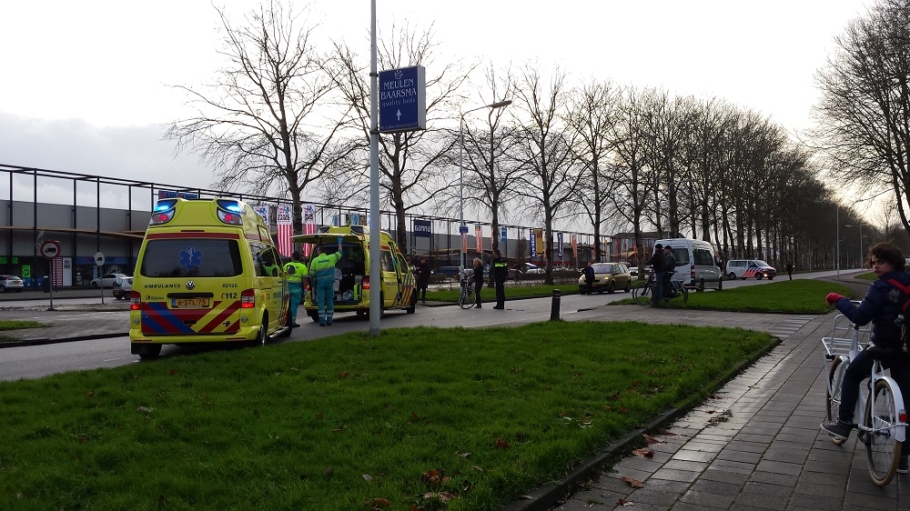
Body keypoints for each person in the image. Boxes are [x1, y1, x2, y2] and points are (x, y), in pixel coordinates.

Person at [820, 242, 910, 474]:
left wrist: (839, 300)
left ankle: (843, 424)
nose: (875, 266)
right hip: (905, 350)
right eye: (874, 262)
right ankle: (902, 457)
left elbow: (860, 317)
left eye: (881, 262)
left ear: (893, 263)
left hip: (883, 347)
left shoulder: (881, 287)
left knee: (852, 375)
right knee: (905, 397)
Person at [308, 238, 343, 327]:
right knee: (330, 301)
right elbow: (340, 252)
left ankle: (322, 321)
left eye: (317, 251)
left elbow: (311, 274)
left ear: (319, 251)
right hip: (329, 284)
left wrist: (312, 283)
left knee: (321, 302)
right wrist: (339, 242)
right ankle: (329, 320)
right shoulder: (331, 258)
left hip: (320, 284)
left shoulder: (315, 261)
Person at [283, 251, 307, 327]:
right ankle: (292, 321)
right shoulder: (303, 267)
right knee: (294, 306)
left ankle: (285, 321)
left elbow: (283, 277)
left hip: (287, 288)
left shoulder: (287, 265)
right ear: (299, 258)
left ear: (292, 257)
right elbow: (305, 279)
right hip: (297, 289)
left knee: (286, 305)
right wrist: (305, 289)